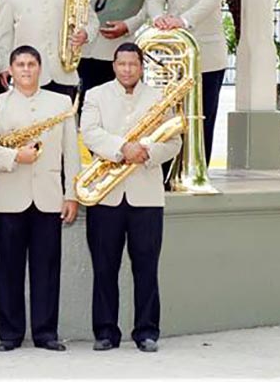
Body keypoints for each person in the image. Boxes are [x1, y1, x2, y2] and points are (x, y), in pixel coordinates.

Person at [81, 43, 183, 352]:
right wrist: (123, 148)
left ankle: (147, 331)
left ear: (141, 67)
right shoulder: (95, 95)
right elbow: (89, 132)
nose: (127, 69)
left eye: (133, 64)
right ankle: (105, 332)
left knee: (146, 267)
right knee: (104, 267)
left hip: (146, 197)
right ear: (114, 65)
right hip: (106, 195)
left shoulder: (158, 98)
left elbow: (174, 140)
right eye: (122, 63)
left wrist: (148, 152)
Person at [0, 46, 80, 352]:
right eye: (20, 65)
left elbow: (72, 154)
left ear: (40, 69)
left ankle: (45, 332)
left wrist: (71, 194)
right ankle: (9, 334)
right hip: (10, 198)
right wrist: (14, 156)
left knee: (47, 268)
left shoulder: (61, 102)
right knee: (8, 269)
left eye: (31, 64)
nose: (26, 69)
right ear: (10, 70)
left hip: (49, 198)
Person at [148, 0, 229, 165]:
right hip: (172, 58)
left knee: (202, 116)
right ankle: (169, 172)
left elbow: (211, 0)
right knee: (170, 117)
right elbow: (154, 0)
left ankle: (197, 171)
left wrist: (182, 21)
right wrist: (158, 18)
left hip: (208, 56)